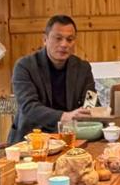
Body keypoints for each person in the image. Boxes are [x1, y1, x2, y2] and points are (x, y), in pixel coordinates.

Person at [9, 14, 96, 143]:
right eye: (58, 38)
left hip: (69, 137)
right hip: (31, 138)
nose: (64, 44)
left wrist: (92, 112)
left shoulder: (83, 68)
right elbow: (29, 107)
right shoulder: (24, 66)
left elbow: (91, 100)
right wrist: (65, 116)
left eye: (69, 39)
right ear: (45, 40)